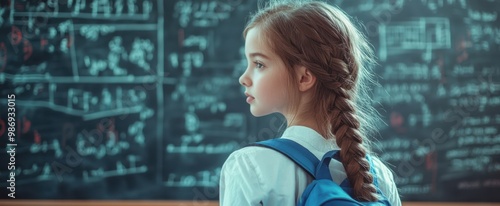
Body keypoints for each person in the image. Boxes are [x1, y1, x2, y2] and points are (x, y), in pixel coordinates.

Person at [219, 0, 401, 205]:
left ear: (304, 77)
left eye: (259, 64)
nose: (244, 77)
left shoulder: (250, 166)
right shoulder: (379, 177)